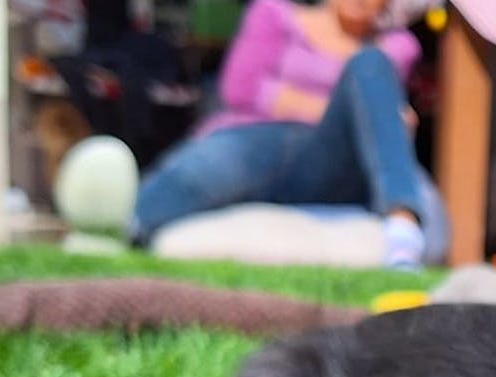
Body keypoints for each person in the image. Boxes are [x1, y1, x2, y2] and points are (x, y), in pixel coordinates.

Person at [129, 0, 445, 268]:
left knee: (370, 65)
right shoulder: (274, 14)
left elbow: (385, 121)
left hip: (339, 160)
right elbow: (241, 89)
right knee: (222, 157)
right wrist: (359, 112)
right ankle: (132, 220)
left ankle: (403, 233)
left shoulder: (395, 48)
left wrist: (387, 120)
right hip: (264, 141)